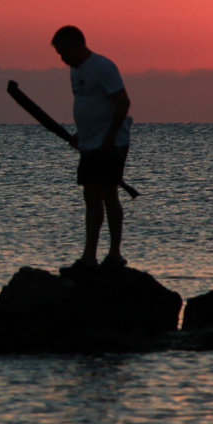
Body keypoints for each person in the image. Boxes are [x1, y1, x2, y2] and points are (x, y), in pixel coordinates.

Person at [51, 25, 132, 270]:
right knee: (91, 197)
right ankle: (89, 256)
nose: (62, 59)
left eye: (64, 52)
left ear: (77, 46)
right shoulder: (75, 71)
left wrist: (108, 139)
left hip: (111, 143)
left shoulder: (103, 67)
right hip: (89, 143)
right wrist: (82, 135)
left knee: (108, 195)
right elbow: (90, 104)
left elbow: (123, 102)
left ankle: (114, 255)